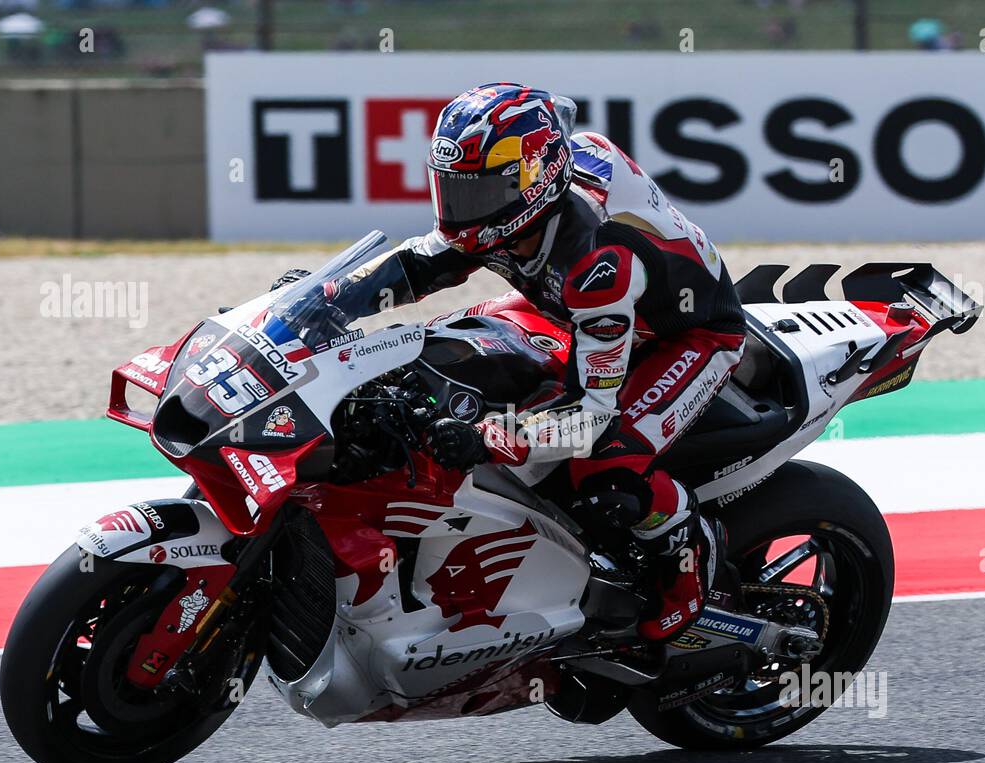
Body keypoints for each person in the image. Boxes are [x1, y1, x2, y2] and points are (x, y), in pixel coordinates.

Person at [275, 83, 746, 641]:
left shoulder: (597, 261)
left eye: (478, 193)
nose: (459, 210)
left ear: (537, 183)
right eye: (453, 189)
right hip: (567, 313)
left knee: (606, 467)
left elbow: (590, 414)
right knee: (428, 357)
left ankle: (688, 563)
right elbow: (421, 265)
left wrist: (493, 438)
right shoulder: (514, 207)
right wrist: (317, 304)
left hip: (682, 336)